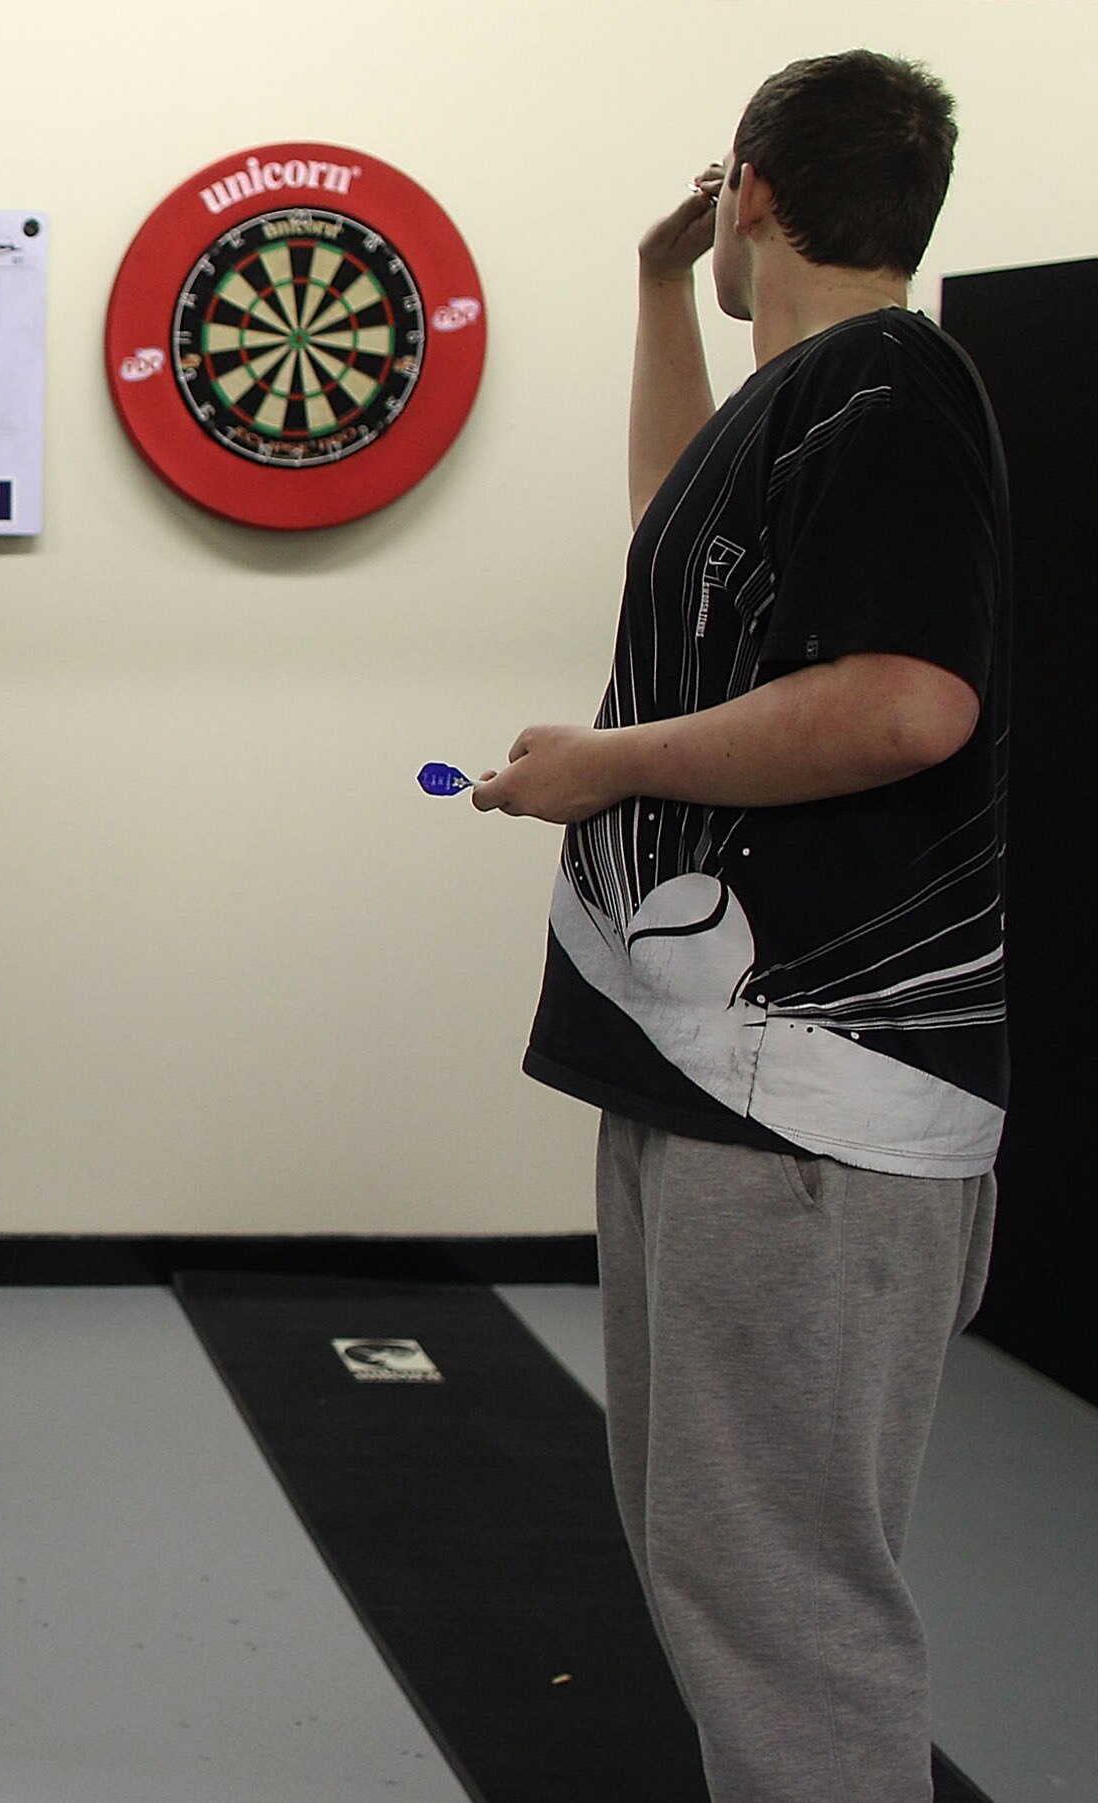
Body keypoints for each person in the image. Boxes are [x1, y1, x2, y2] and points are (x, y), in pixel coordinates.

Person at [470, 51, 1006, 1803]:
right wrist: (647, 283)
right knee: (718, 1569)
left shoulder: (898, 391)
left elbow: (914, 704)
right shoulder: (812, 401)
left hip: (814, 1125)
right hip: (724, 1100)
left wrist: (606, 765)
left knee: (784, 1605)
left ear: (749, 192)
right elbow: (674, 525)